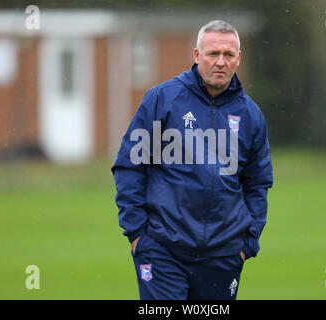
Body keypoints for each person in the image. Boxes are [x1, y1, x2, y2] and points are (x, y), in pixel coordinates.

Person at [111, 20, 273, 300]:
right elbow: (130, 166)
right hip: (162, 250)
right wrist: (138, 234)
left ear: (238, 58)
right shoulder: (161, 100)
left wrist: (247, 243)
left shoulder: (251, 116)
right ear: (197, 56)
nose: (220, 62)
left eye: (228, 55)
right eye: (213, 54)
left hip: (223, 255)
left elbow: (258, 184)